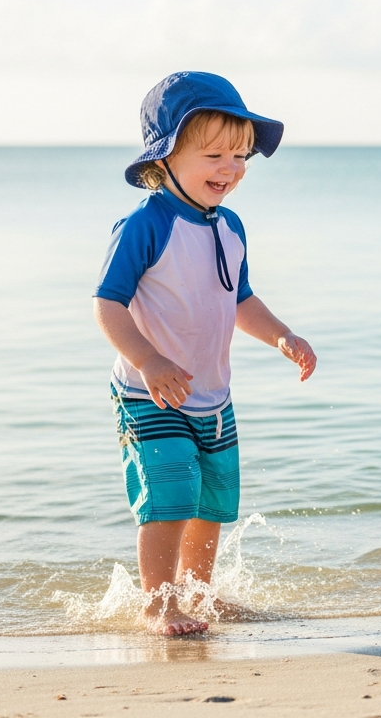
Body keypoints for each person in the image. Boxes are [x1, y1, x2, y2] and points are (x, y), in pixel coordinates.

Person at [93, 72, 317, 636]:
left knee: (212, 501)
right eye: (215, 154)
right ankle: (158, 603)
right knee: (168, 498)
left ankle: (200, 595)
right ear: (164, 158)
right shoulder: (147, 224)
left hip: (213, 396)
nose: (232, 167)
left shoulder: (231, 227)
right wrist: (148, 360)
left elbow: (239, 298)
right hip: (150, 392)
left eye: (242, 155)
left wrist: (283, 336)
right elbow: (107, 306)